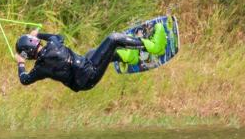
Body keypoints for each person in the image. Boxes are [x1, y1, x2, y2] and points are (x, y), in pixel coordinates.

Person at [15, 29, 152, 93]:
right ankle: (151, 45)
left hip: (84, 82)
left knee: (92, 52)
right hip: (91, 73)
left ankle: (128, 57)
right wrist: (38, 34)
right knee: (113, 38)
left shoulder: (40, 69)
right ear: (34, 42)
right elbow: (58, 36)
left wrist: (20, 63)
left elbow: (24, 79)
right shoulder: (53, 44)